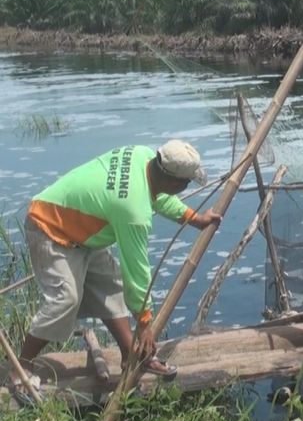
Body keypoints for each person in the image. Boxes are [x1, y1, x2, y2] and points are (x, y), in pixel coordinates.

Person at [8, 140, 221, 397]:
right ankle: (20, 367)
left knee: (111, 286)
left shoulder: (144, 157)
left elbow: (158, 197)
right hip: (50, 226)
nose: (185, 188)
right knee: (65, 300)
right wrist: (144, 322)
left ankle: (131, 354)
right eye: (187, 183)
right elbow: (137, 268)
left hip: (82, 227)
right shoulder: (132, 211)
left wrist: (194, 218)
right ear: (177, 184)